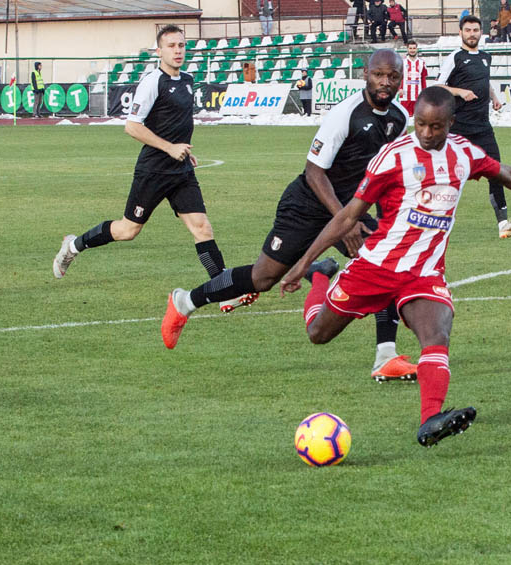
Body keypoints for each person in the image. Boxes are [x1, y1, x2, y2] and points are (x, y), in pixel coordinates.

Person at [276, 87, 511, 447]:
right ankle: (320, 277)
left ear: (450, 124)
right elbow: (349, 215)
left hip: (424, 273)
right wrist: (304, 264)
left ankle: (430, 420)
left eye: (435, 127)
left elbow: (510, 176)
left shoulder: (464, 154)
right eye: (420, 124)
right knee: (318, 333)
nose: (426, 133)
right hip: (375, 267)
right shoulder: (391, 158)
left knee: (436, 335)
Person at [162, 50, 414, 384]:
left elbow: (383, 175)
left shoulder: (398, 118)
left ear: (401, 78)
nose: (384, 83)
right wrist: (345, 220)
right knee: (263, 278)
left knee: (385, 265)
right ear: (365, 73)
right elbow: (314, 172)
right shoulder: (346, 114)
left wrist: (384, 219)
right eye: (378, 75)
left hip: (349, 211)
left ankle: (386, 355)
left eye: (392, 77)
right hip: (307, 204)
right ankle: (185, 301)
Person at [53, 25, 237, 310]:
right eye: (172, 46)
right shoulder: (153, 81)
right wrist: (169, 148)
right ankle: (73, 245)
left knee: (202, 227)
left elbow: (175, 123)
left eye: (182, 45)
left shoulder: (187, 80)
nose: (178, 51)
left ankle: (223, 290)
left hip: (180, 170)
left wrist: (185, 151)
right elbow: (132, 127)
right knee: (128, 230)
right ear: (159, 51)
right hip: (153, 170)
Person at [434, 16, 511, 239]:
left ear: (481, 32)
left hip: (483, 127)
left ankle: (503, 224)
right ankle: (432, 221)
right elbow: (438, 85)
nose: (472, 33)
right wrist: (460, 92)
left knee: (497, 172)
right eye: (468, 30)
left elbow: (485, 81)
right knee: (447, 176)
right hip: (459, 127)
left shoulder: (486, 57)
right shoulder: (455, 57)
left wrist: (493, 96)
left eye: (475, 30)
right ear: (461, 33)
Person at [401, 39, 428, 117]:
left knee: (418, 118)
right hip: (405, 95)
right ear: (407, 49)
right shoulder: (402, 62)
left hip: (418, 95)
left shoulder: (422, 62)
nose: (412, 50)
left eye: (414, 48)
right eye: (410, 48)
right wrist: (400, 88)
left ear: (417, 49)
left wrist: (424, 91)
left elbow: (423, 78)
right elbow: (399, 77)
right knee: (405, 117)